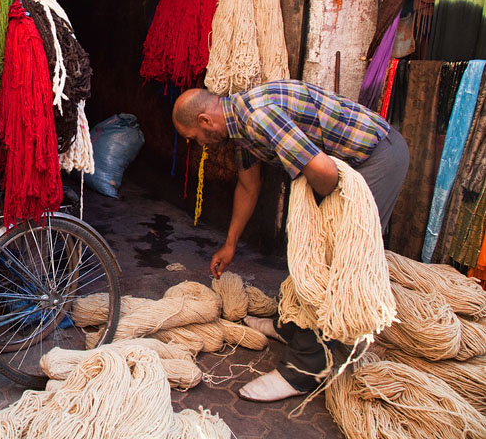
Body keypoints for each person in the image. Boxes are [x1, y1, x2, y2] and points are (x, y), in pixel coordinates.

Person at [171, 79, 409, 402]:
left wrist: (317, 221)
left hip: (375, 158)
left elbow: (324, 172)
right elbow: (248, 187)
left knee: (328, 260)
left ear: (205, 120)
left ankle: (306, 368)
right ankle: (292, 326)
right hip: (349, 162)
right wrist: (230, 244)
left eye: (194, 137)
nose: (199, 144)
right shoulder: (239, 131)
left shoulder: (257, 117)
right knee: (308, 252)